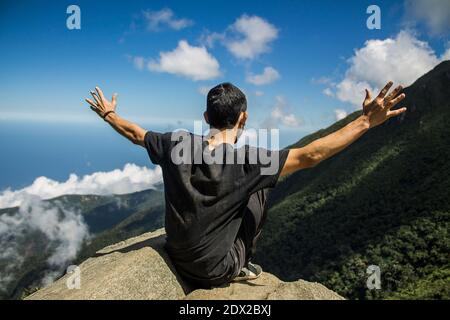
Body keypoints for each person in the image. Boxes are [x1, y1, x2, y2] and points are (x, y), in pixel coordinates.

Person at [85, 81, 406, 288]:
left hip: (176, 254)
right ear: (243, 119)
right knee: (263, 185)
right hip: (215, 271)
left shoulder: (174, 143)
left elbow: (136, 134)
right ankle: (239, 264)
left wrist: (109, 114)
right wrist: (366, 121)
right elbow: (311, 155)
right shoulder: (251, 162)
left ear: (206, 117)